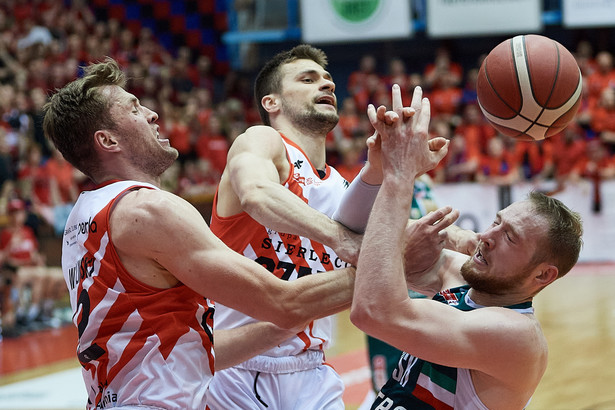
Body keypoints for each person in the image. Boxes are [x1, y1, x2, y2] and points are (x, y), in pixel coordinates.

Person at [42, 57, 357, 410]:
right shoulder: (149, 211)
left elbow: (192, 348)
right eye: (134, 108)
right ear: (108, 140)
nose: (151, 114)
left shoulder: (82, 218)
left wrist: (286, 332)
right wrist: (391, 261)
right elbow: (283, 303)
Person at [350, 85, 584, 409]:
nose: (488, 235)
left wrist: (400, 176)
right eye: (496, 221)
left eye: (510, 236)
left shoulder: (516, 336)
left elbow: (372, 311)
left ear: (543, 274)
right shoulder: (461, 277)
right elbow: (361, 235)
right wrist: (376, 167)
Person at [207, 44, 385, 410]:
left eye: (328, 80)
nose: (326, 85)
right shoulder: (262, 141)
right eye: (308, 79)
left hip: (312, 371)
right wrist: (339, 238)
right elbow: (256, 193)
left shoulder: (340, 186)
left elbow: (401, 245)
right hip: (235, 369)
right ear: (271, 103)